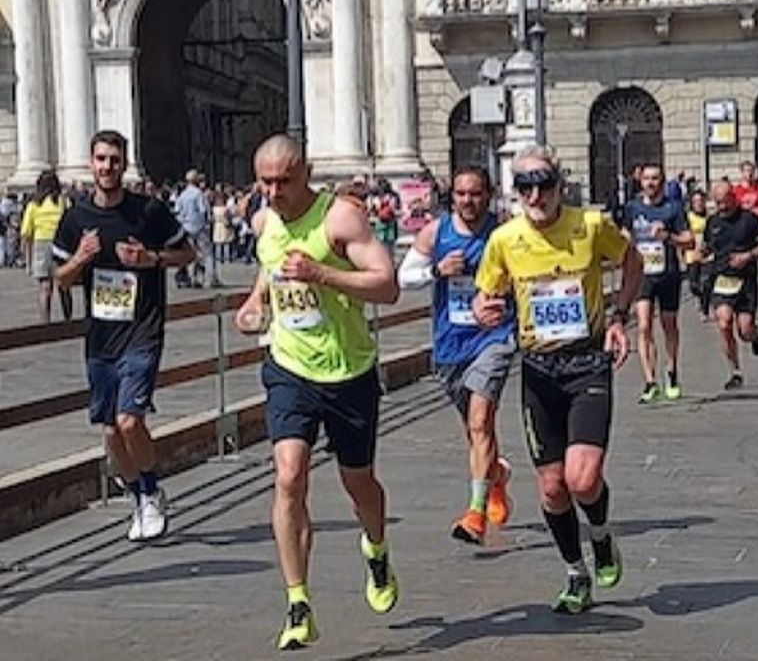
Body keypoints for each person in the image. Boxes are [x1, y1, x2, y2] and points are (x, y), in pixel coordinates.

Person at [233, 134, 400, 649]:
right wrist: (254, 304)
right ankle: (298, 601)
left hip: (349, 372)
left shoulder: (340, 220)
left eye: (284, 180)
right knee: (289, 476)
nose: (275, 192)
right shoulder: (264, 222)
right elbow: (269, 266)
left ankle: (375, 549)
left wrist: (323, 273)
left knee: (360, 484)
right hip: (289, 367)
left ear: (305, 172)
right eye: (266, 182)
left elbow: (388, 285)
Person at [472, 145, 644, 614]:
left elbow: (633, 262)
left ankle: (602, 535)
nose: (534, 193)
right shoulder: (505, 239)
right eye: (523, 185)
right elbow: (486, 294)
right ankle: (575, 571)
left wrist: (618, 316)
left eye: (542, 182)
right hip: (540, 370)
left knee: (582, 479)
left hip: (587, 362)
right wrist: (483, 309)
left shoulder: (589, 226)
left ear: (559, 184)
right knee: (552, 488)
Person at [52, 130, 196, 542]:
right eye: (100, 159)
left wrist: (150, 259)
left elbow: (187, 253)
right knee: (110, 430)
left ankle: (150, 491)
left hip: (143, 330)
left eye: (114, 159)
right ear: (91, 162)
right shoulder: (76, 218)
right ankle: (138, 494)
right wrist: (80, 257)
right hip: (100, 337)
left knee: (129, 419)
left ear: (124, 162)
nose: (107, 167)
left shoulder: (148, 211)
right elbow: (61, 279)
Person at [397, 166, 516, 545]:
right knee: (475, 429)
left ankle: (475, 514)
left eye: (476, 193)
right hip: (451, 344)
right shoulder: (437, 232)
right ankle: (495, 476)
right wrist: (438, 269)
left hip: (494, 337)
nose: (468, 201)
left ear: (489, 194)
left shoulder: (504, 232)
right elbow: (404, 277)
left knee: (481, 421)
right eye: (462, 194)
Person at [623, 163, 693, 403]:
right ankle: (650, 381)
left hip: (668, 274)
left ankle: (672, 372)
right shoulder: (632, 207)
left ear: (662, 182)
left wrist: (669, 237)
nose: (650, 183)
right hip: (643, 275)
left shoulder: (673, 208)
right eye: (646, 179)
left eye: (655, 179)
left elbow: (689, 241)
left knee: (669, 324)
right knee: (643, 325)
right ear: (640, 181)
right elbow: (624, 235)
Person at [704, 181, 758, 389]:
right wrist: (701, 253)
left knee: (745, 329)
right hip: (722, 279)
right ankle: (735, 371)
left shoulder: (749, 219)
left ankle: (755, 335)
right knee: (724, 324)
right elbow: (706, 246)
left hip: (746, 280)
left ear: (734, 198)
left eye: (725, 202)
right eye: (717, 203)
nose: (721, 207)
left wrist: (748, 256)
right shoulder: (712, 222)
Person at [22, 171, 73, 323]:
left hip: (41, 245)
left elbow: (26, 234)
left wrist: (26, 258)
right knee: (64, 285)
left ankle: (46, 323)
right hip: (60, 245)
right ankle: (67, 320)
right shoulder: (63, 202)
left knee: (45, 287)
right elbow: (71, 224)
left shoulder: (34, 205)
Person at [174, 169, 219, 288]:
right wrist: (207, 223)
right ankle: (210, 279)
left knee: (191, 253)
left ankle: (193, 278)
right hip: (199, 227)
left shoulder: (182, 195)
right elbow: (204, 210)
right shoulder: (198, 194)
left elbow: (178, 211)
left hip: (186, 227)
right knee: (207, 253)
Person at [685, 190, 712, 322]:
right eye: (695, 201)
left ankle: (705, 310)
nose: (699, 204)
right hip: (692, 255)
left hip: (707, 255)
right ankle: (701, 297)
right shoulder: (688, 218)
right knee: (693, 285)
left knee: (706, 283)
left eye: (701, 201)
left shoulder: (710, 218)